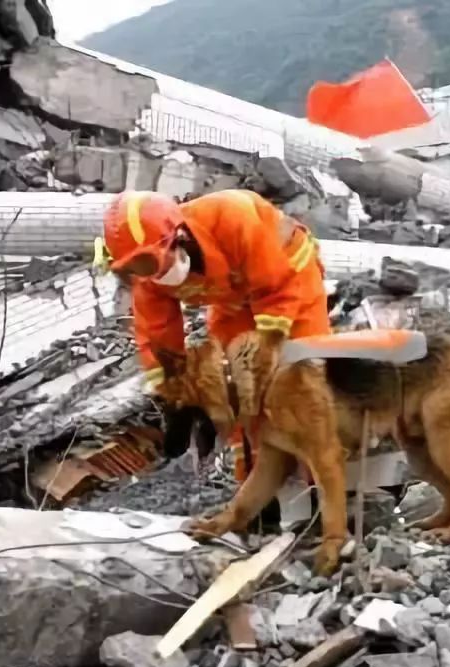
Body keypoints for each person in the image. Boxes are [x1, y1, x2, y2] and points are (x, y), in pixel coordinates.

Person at [98, 189, 331, 482]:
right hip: (232, 298)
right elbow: (157, 338)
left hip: (288, 279)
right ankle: (257, 487)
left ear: (177, 236)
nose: (149, 277)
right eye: (133, 269)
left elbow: (277, 289)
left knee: (302, 380)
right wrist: (175, 398)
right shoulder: (149, 279)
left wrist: (268, 347)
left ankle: (322, 488)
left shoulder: (233, 218)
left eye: (147, 264)